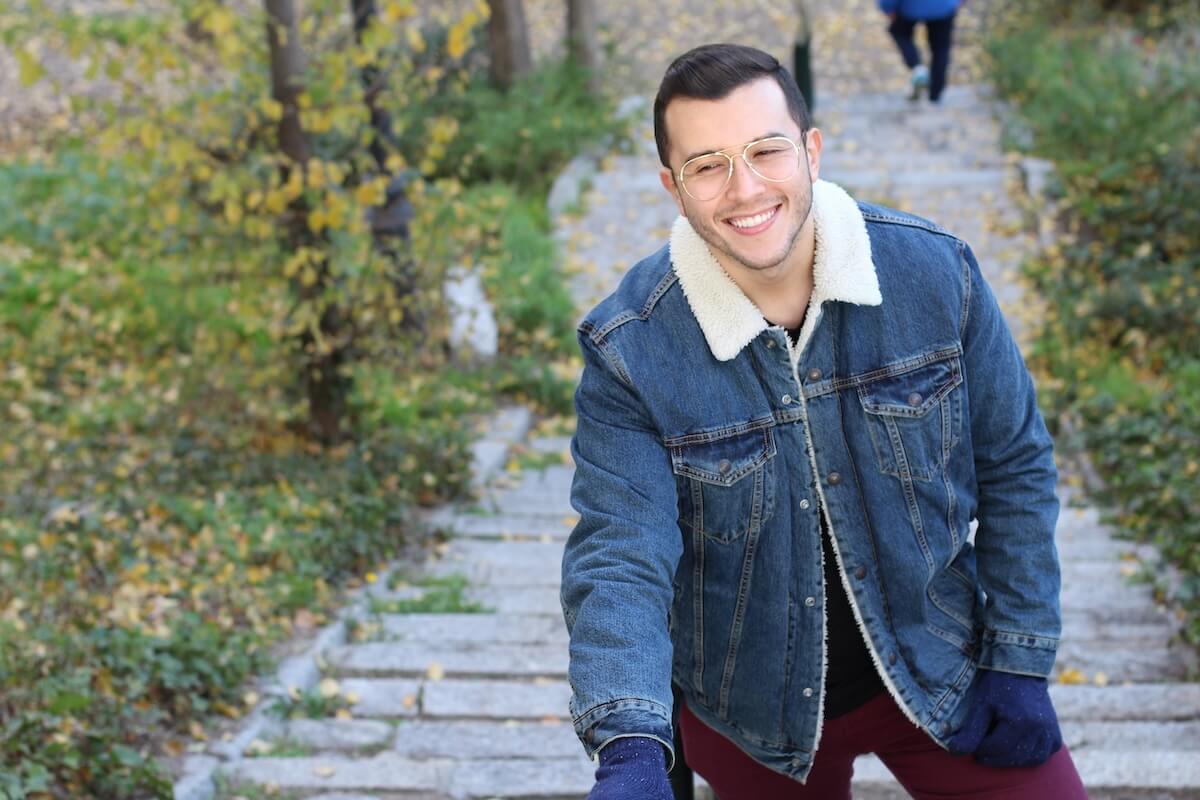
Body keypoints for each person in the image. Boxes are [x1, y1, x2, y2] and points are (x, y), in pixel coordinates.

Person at [560, 43, 1089, 800]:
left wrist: (1020, 657)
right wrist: (632, 744)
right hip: (747, 716)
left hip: (941, 672)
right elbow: (620, 556)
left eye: (765, 152)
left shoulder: (937, 274)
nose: (744, 189)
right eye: (708, 165)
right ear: (674, 188)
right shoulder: (629, 348)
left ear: (811, 149)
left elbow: (1015, 465)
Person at [878, 0, 962, 103]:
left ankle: (917, 66)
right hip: (943, 6)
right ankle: (935, 94)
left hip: (910, 7)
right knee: (941, 48)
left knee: (899, 32)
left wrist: (887, 8)